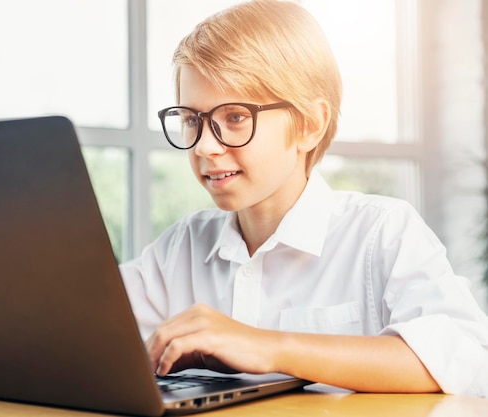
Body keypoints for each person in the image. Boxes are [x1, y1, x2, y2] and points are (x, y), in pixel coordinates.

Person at [119, 0, 488, 396]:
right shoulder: (181, 248)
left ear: (310, 126)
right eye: (192, 120)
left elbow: (467, 359)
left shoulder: (381, 231)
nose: (205, 146)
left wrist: (270, 346)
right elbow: (85, 334)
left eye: (235, 117)